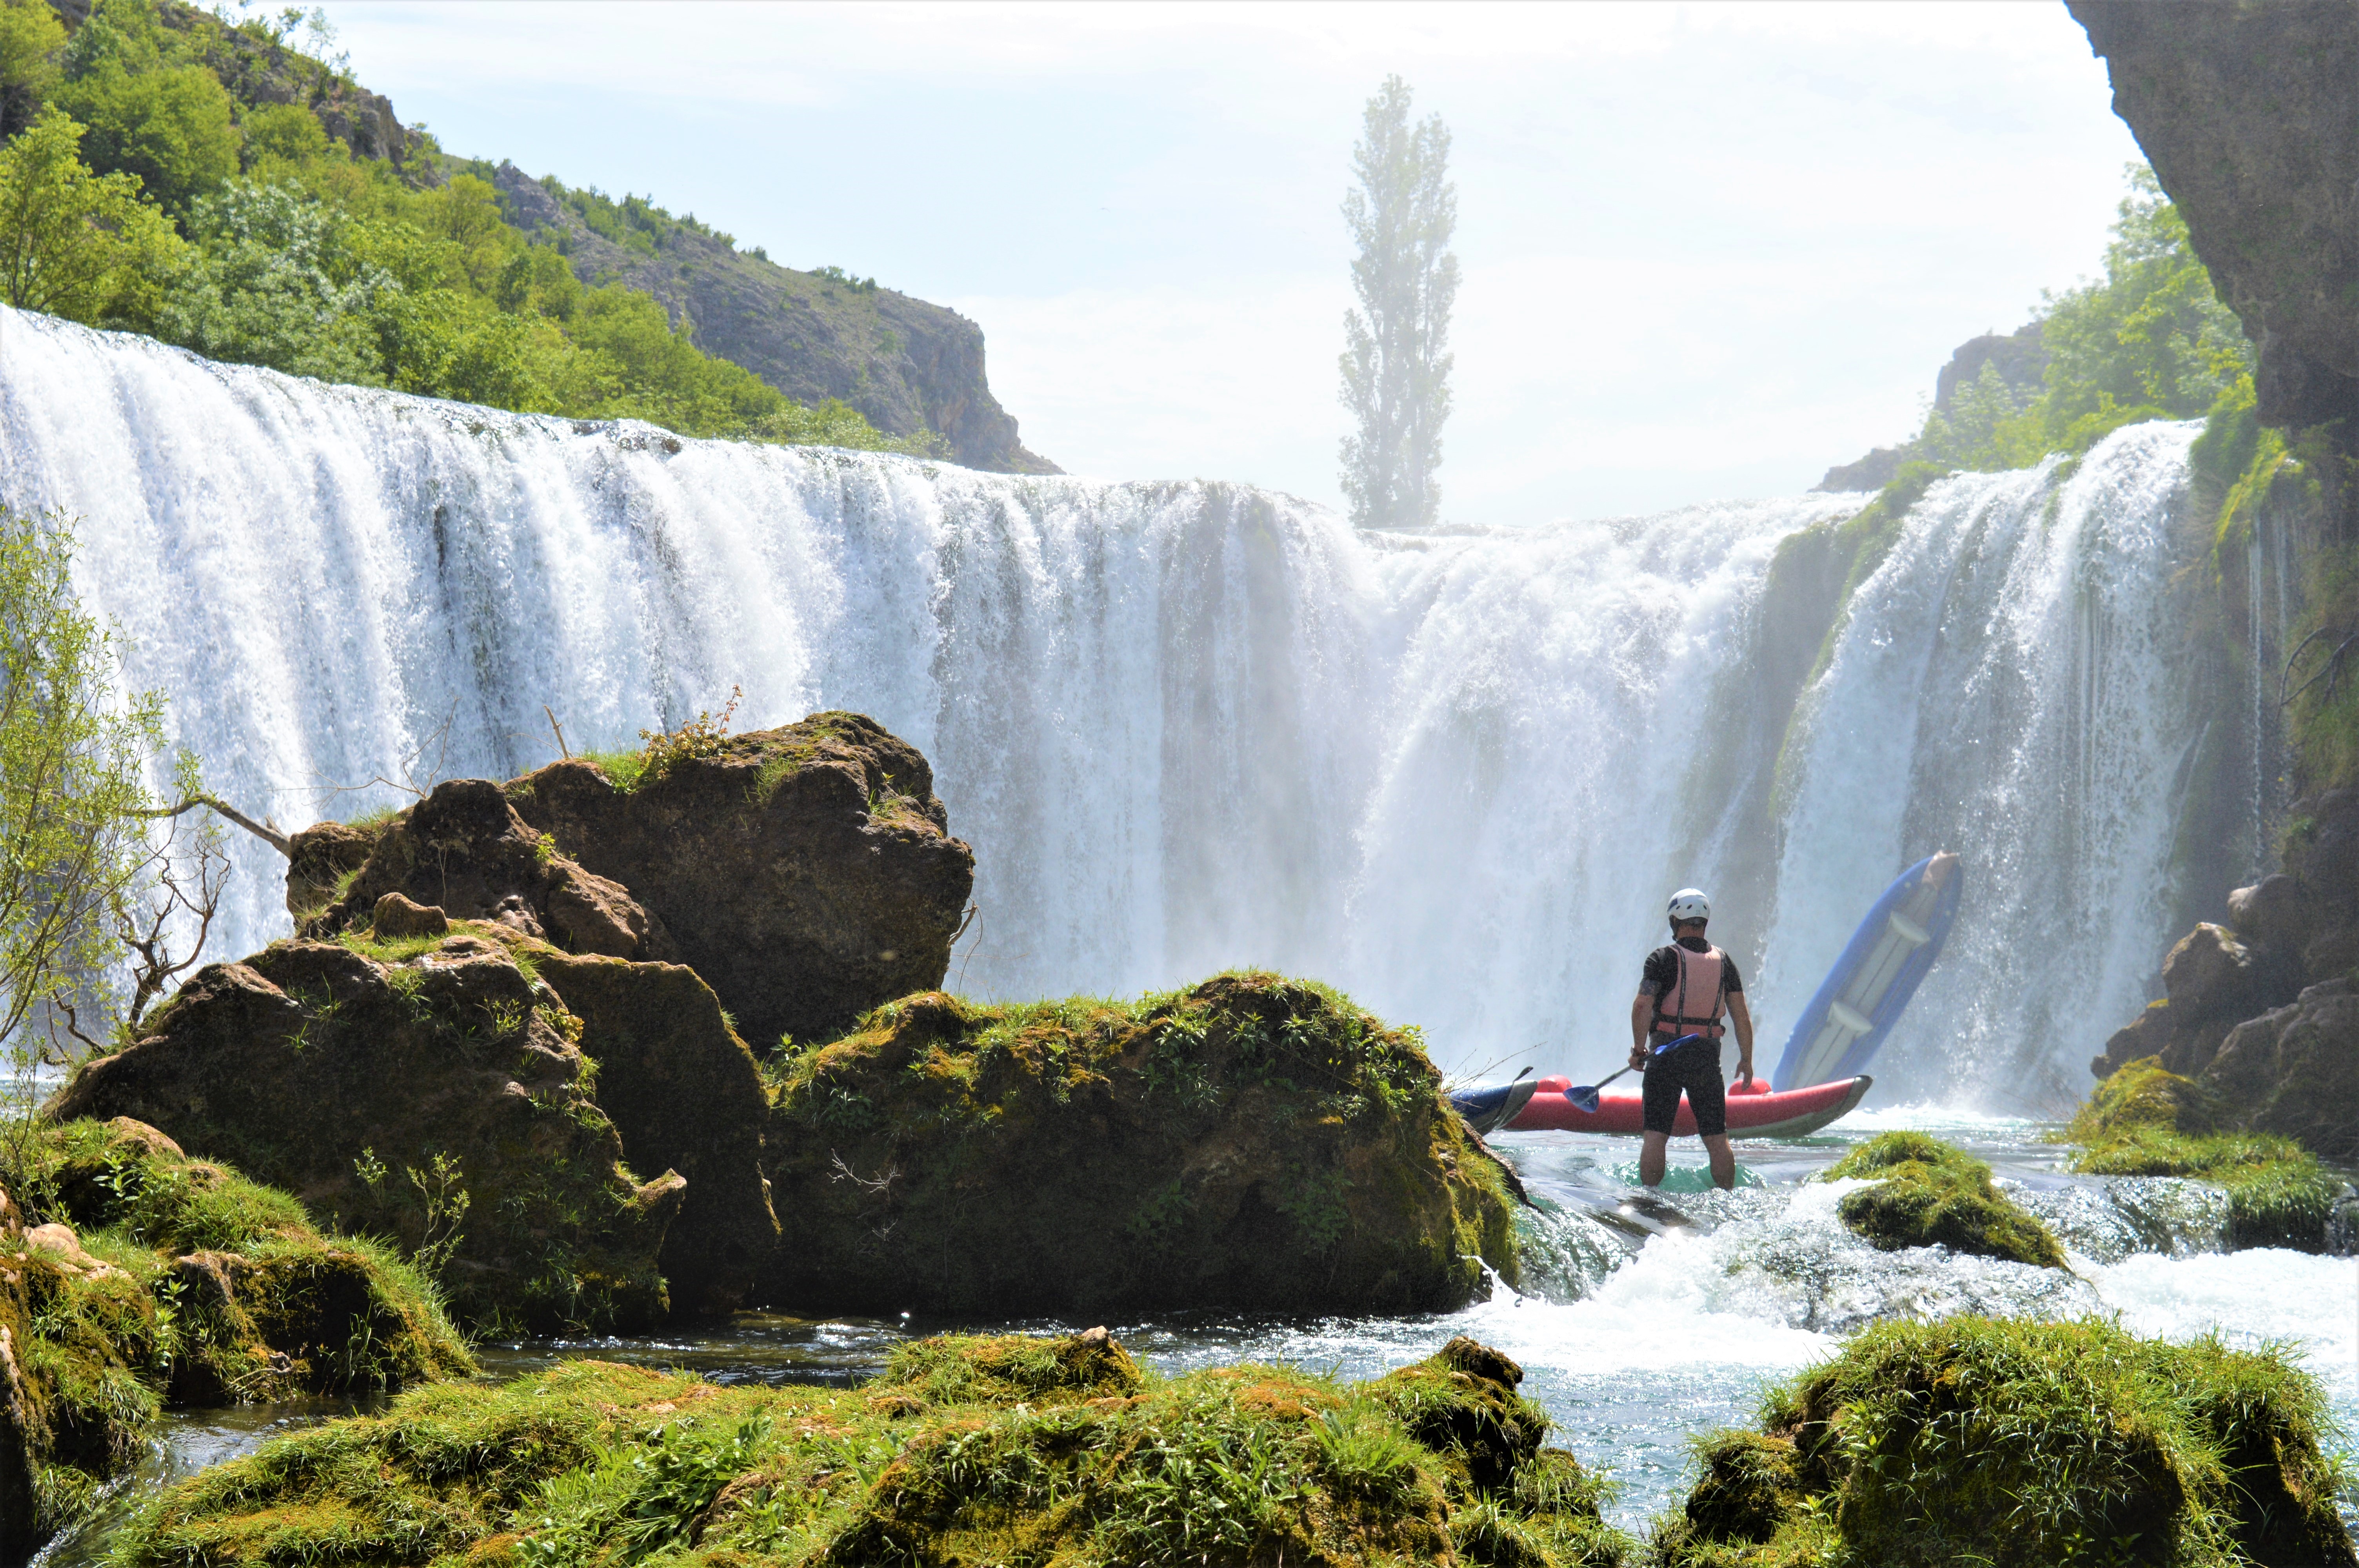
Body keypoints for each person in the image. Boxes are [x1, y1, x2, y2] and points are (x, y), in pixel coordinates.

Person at [1627, 887, 1756, 1190]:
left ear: (1675, 921)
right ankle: (1727, 1197)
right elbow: (1741, 1015)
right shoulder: (1725, 962)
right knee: (1716, 1138)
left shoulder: (1662, 959)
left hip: (1666, 1056)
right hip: (1706, 1058)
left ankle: (1650, 1199)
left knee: (1657, 1135)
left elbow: (1642, 1005)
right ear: (1704, 921)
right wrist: (1747, 1060)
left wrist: (1638, 1049)